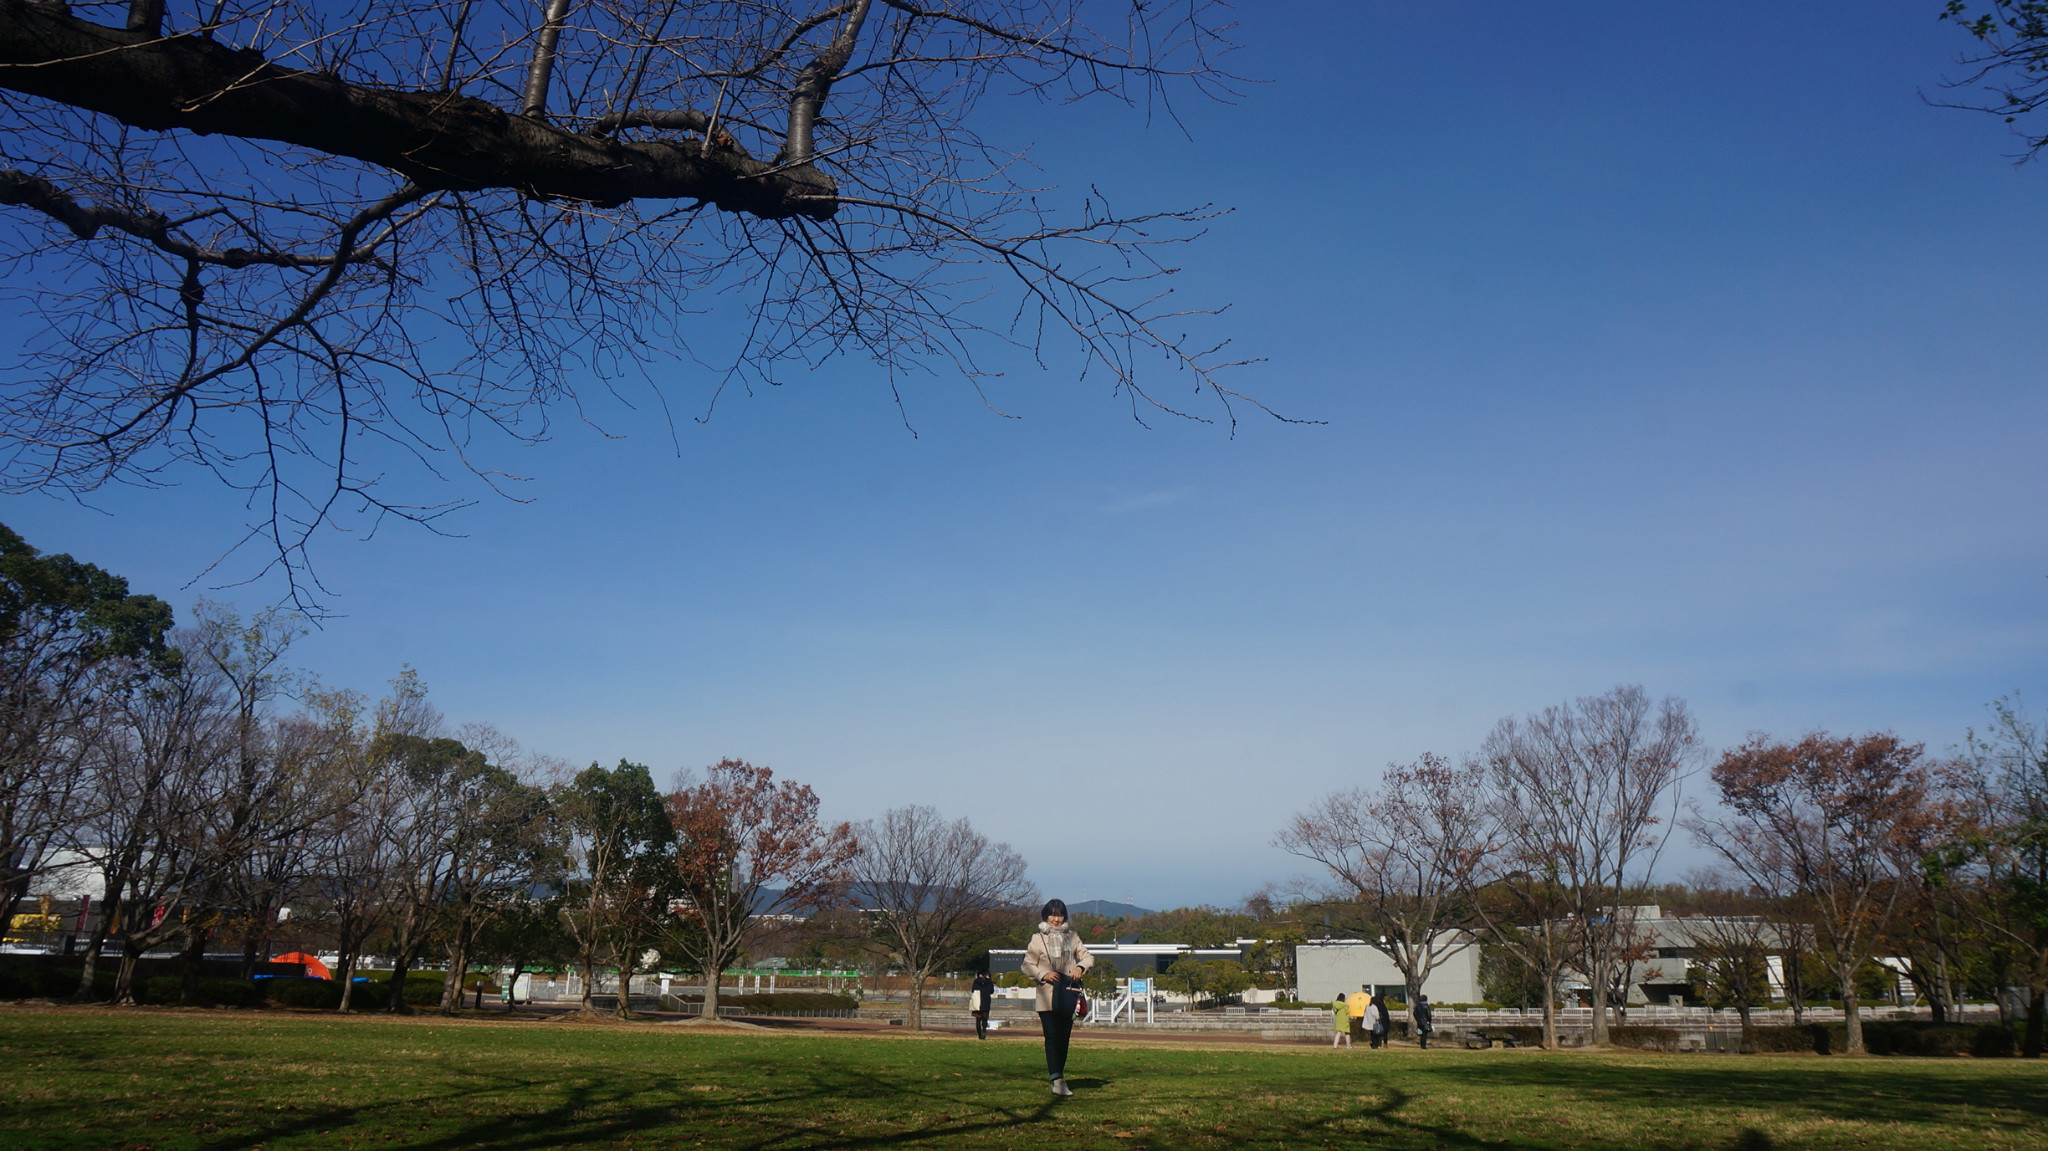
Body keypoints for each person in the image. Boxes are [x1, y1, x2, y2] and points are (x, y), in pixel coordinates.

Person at [1021, 898, 1093, 1097]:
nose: (1056, 918)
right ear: (1046, 916)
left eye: (1060, 914)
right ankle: (1056, 1078)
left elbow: (1088, 957)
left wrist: (1080, 967)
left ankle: (1059, 1074)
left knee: (1064, 1038)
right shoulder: (1038, 939)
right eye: (1052, 914)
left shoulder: (1072, 937)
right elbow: (1027, 964)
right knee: (1052, 1037)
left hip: (1067, 994)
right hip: (1047, 995)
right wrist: (1043, 975)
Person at [969, 971, 996, 1040]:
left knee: (978, 1019)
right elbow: (991, 991)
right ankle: (984, 1031)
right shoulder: (989, 982)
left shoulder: (976, 982)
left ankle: (979, 1034)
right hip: (986, 1001)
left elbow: (973, 990)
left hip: (977, 1002)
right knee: (985, 1018)